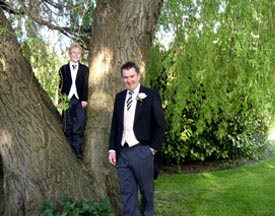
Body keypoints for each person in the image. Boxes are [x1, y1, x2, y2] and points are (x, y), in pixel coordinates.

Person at [108, 61, 166, 216]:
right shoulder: (120, 97)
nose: (129, 80)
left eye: (132, 76)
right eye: (126, 77)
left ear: (138, 75)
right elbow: (115, 125)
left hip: (143, 151)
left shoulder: (151, 95)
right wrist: (112, 149)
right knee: (127, 195)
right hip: (123, 153)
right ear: (122, 78)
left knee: (147, 194)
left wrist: (152, 149)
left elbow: (160, 125)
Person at [58, 43, 89, 160]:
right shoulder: (63, 69)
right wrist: (61, 100)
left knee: (80, 120)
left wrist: (85, 99)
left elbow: (85, 85)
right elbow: (60, 85)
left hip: (80, 99)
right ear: (69, 54)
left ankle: (77, 147)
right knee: (67, 121)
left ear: (81, 55)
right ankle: (68, 145)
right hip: (67, 98)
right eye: (73, 52)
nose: (76, 55)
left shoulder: (85, 69)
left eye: (78, 53)